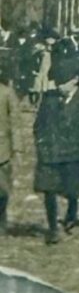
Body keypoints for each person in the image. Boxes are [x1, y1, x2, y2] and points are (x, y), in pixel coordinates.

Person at [32, 58, 79, 244]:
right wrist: (41, 143)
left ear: (75, 80)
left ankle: (72, 213)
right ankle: (53, 228)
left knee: (72, 189)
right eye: (58, 82)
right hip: (50, 152)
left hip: (73, 153)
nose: (60, 86)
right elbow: (38, 125)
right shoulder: (49, 98)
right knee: (49, 189)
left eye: (65, 82)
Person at [0, 65, 18, 234]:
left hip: (2, 149)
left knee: (3, 189)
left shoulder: (6, 93)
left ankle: (1, 218)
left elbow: (15, 122)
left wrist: (17, 147)